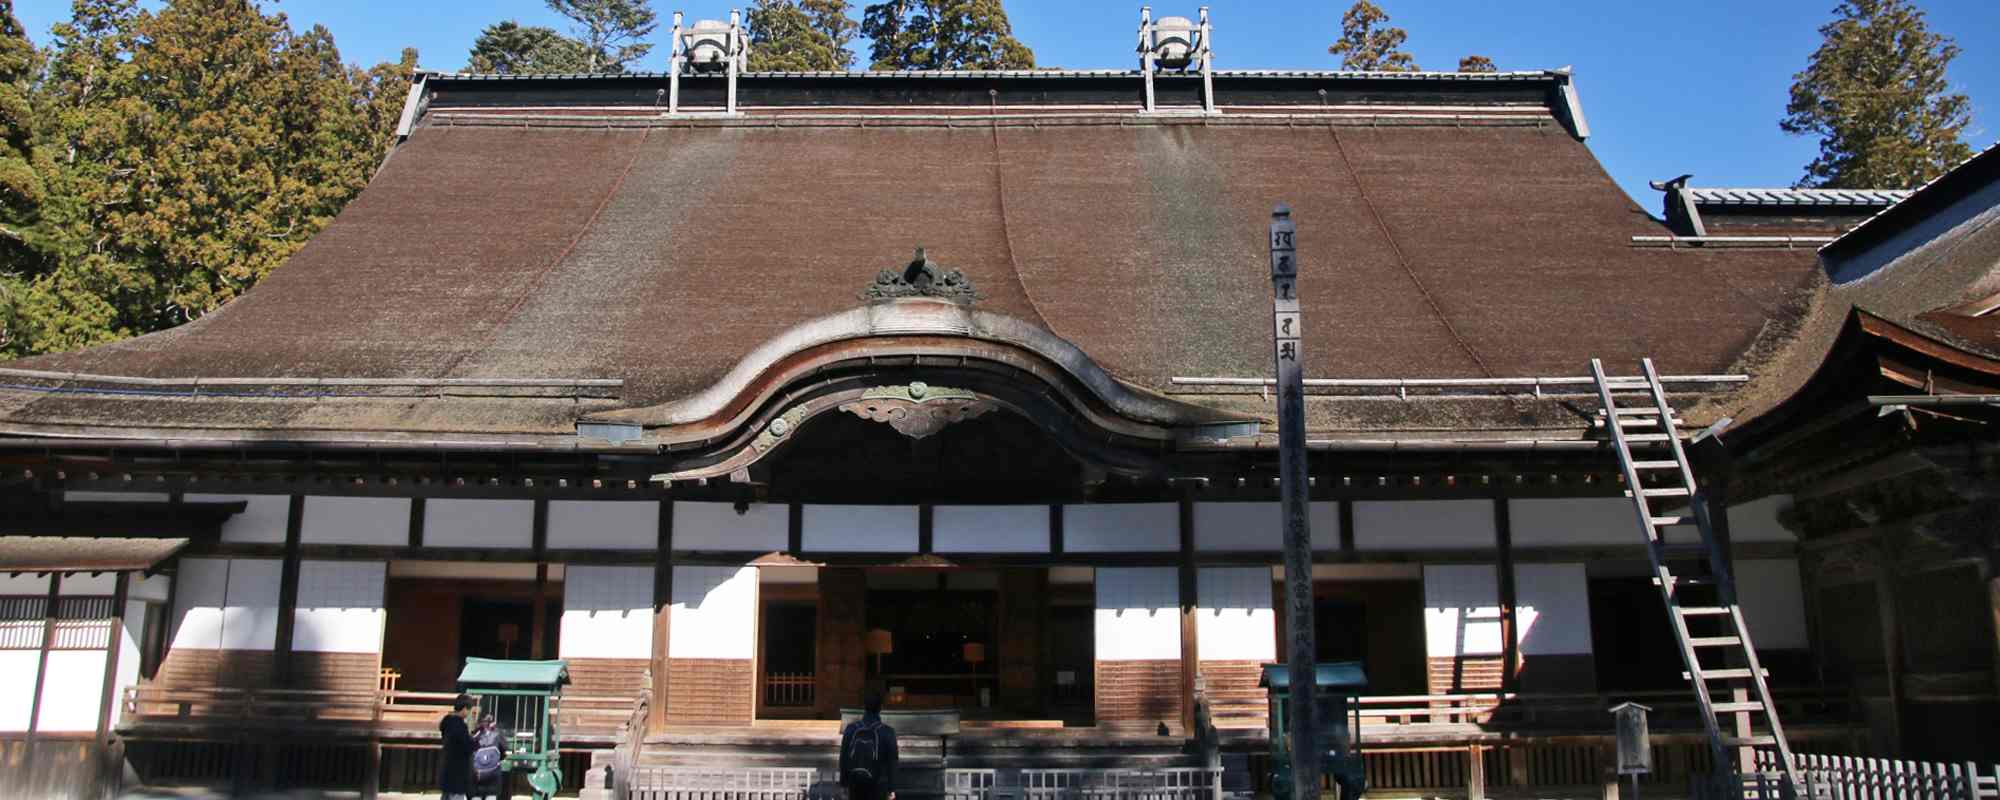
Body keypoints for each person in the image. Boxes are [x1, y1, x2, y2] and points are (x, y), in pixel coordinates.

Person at [838, 694, 899, 800]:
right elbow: (892, 762)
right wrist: (891, 788)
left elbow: (843, 758)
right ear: (881, 708)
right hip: (878, 783)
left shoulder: (851, 729)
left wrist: (843, 784)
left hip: (855, 782)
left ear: (864, 706)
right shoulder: (888, 731)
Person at [439, 693, 478, 800]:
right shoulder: (460, 726)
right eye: (469, 710)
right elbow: (468, 746)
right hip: (458, 772)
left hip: (447, 768)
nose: (469, 713)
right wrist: (476, 741)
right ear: (465, 709)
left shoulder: (447, 722)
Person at [471, 712, 509, 800]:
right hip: (493, 774)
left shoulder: (476, 734)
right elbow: (505, 750)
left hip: (478, 774)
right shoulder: (498, 734)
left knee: (476, 796)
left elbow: (470, 750)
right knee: (491, 795)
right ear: (493, 722)